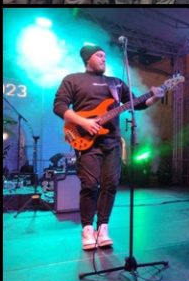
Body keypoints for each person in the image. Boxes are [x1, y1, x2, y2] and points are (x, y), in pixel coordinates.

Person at [53, 45, 162, 250]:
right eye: (99, 55)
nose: (104, 58)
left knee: (111, 183)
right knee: (89, 184)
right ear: (87, 58)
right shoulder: (73, 79)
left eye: (104, 55)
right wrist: (84, 123)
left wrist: (155, 96)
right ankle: (87, 229)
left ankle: (103, 227)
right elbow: (59, 106)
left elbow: (136, 103)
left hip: (112, 140)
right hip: (85, 140)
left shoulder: (115, 83)